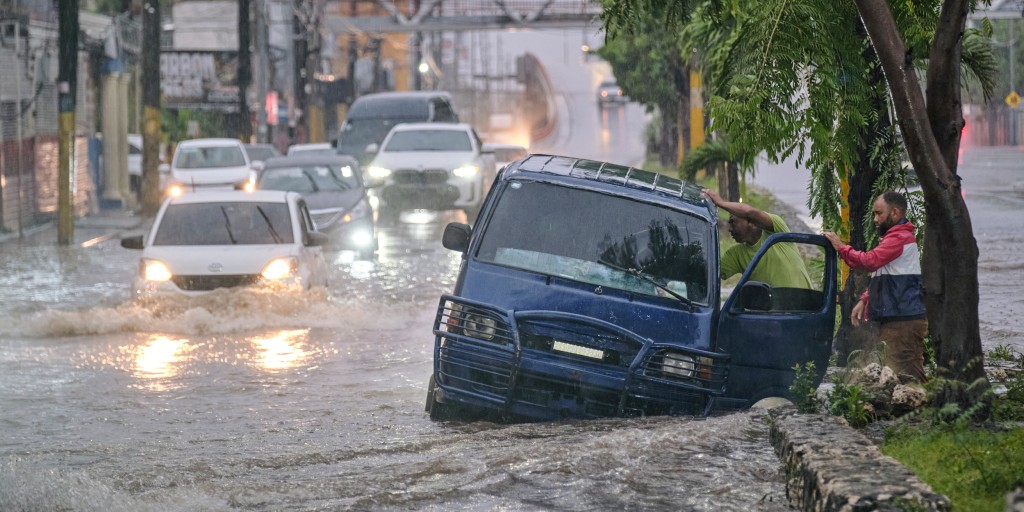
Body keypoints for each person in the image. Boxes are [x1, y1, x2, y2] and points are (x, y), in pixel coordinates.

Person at [823, 191, 927, 382]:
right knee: (899, 376)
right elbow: (885, 275)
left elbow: (870, 261)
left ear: (895, 213)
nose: (875, 219)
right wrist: (864, 300)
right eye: (874, 214)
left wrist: (841, 247)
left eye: (879, 213)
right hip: (897, 319)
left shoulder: (899, 238)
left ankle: (927, 409)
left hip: (902, 322)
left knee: (908, 377)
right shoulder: (894, 238)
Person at [703, 189, 813, 289]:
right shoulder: (736, 254)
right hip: (774, 310)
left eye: (733, 222)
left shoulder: (777, 230)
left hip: (806, 308)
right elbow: (710, 273)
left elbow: (750, 213)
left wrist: (721, 203)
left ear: (751, 222)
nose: (729, 229)